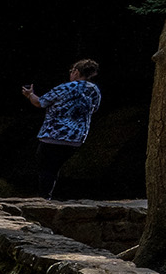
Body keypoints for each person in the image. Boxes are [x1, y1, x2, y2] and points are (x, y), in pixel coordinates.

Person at [20, 58, 103, 197]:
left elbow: (40, 103)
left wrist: (29, 94)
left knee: (46, 167)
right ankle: (50, 195)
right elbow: (94, 109)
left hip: (53, 136)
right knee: (55, 167)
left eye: (72, 71)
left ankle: (44, 198)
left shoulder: (65, 88)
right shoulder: (95, 90)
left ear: (76, 72)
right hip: (77, 138)